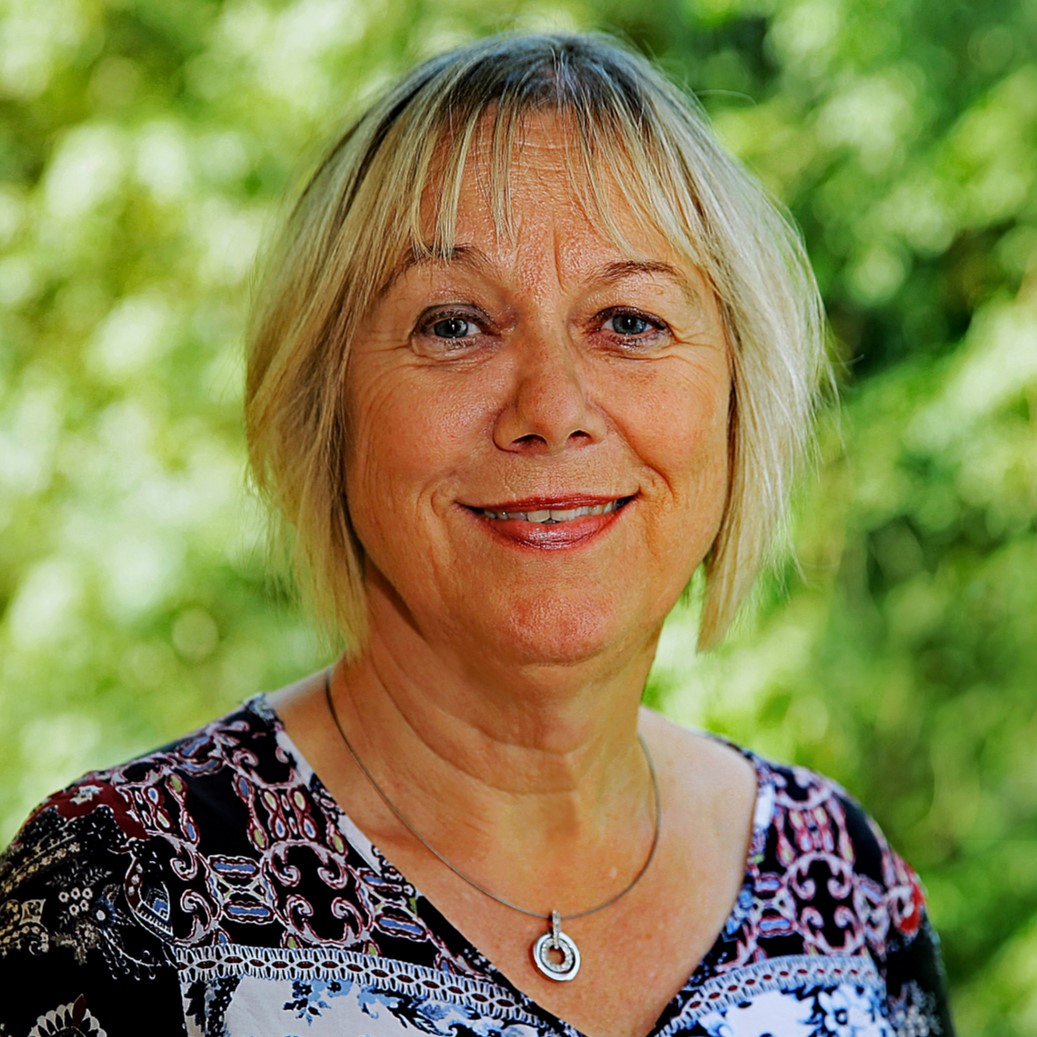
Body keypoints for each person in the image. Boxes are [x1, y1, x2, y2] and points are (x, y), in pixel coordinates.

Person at [0, 32, 953, 1037]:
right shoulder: (122, 893)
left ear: (735, 398)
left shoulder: (843, 884)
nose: (552, 408)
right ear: (327, 406)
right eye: (454, 324)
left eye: (628, 321)